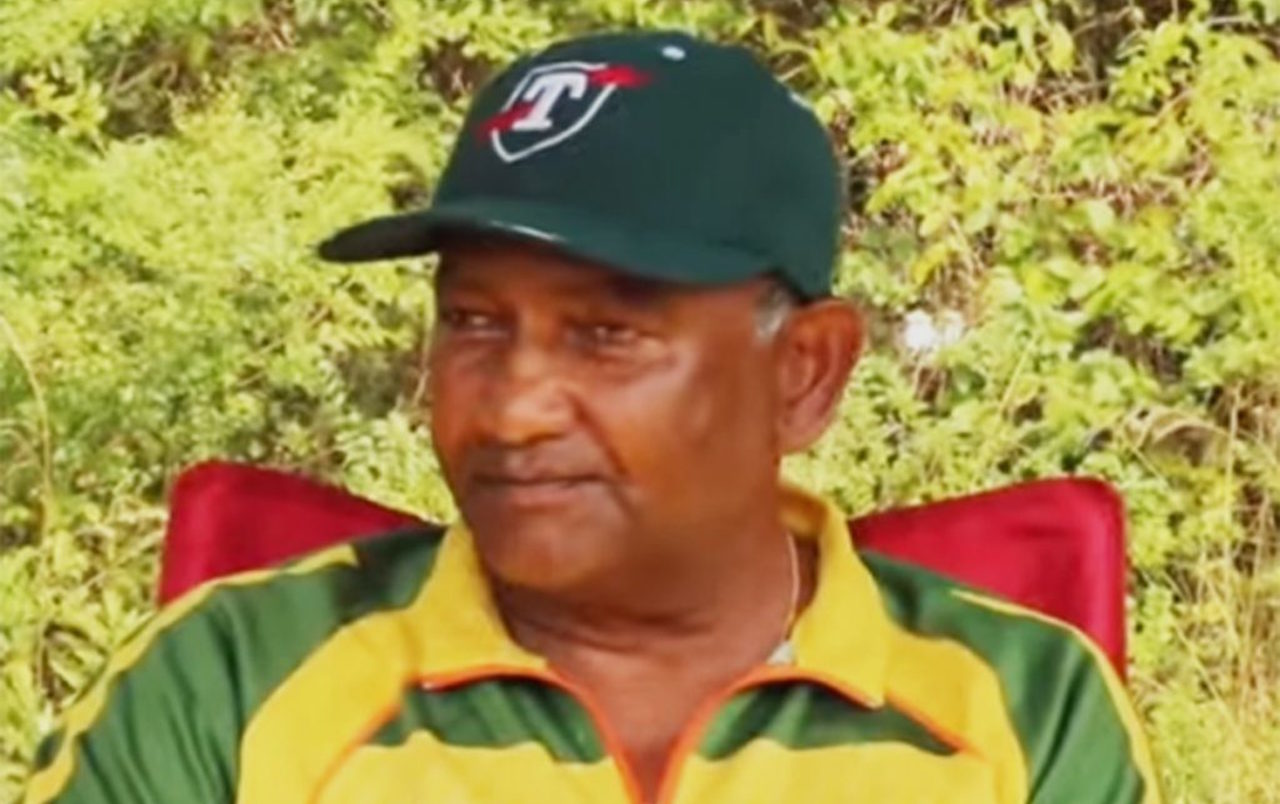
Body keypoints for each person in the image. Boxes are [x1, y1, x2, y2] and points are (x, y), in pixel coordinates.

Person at [25, 29, 1159, 804]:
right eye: (473, 321)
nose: (513, 409)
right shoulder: (228, 680)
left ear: (804, 375)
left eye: (607, 334)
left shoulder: (1022, 709)